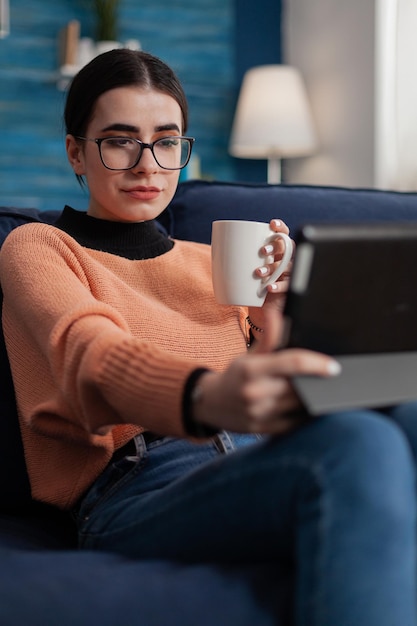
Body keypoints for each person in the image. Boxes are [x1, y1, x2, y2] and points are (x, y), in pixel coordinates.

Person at [0, 48, 416, 626]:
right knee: (356, 446)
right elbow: (89, 354)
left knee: (405, 415)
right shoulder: (40, 247)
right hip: (139, 488)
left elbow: (267, 395)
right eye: (120, 141)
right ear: (77, 152)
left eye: (167, 142)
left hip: (253, 463)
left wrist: (274, 317)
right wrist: (204, 396)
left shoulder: (214, 261)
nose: (148, 165)